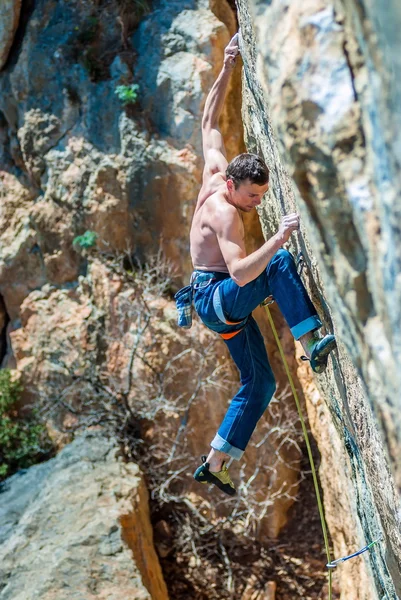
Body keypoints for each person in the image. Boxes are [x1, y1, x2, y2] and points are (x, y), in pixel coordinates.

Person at [190, 33, 336, 496]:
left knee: (261, 382)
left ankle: (216, 461)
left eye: (262, 196)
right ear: (232, 186)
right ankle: (312, 342)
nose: (256, 203)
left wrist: (229, 63)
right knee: (278, 263)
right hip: (216, 298)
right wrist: (277, 237)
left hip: (212, 301)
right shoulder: (225, 212)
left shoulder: (217, 168)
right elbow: (239, 274)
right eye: (252, 196)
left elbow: (208, 120)